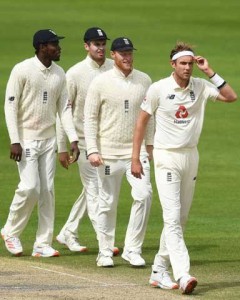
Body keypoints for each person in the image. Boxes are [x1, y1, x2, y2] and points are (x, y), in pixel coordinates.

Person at [131, 41, 237, 294]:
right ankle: (183, 274)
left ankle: (158, 269)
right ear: (173, 65)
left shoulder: (200, 86)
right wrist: (135, 158)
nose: (188, 68)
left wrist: (209, 71)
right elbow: (141, 123)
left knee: (181, 218)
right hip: (166, 156)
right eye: (183, 64)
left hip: (191, 156)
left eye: (191, 63)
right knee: (172, 216)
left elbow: (230, 96)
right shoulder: (158, 89)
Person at [2, 29, 80, 257]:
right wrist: (15, 140)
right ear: (42, 46)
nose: (59, 48)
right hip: (26, 139)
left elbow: (64, 109)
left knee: (47, 191)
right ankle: (10, 231)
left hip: (48, 140)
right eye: (55, 44)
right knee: (30, 187)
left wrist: (73, 138)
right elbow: (10, 106)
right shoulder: (22, 70)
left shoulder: (59, 73)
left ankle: (42, 243)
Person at [84, 37, 153, 268]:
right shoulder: (100, 82)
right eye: (122, 53)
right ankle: (104, 251)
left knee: (143, 195)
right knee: (107, 203)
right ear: (113, 55)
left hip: (136, 152)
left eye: (130, 52)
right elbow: (90, 118)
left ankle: (132, 249)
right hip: (108, 153)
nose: (127, 57)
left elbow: (149, 118)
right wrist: (92, 150)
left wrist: (150, 146)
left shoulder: (144, 80)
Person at [55, 27, 115, 253]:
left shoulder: (113, 68)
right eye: (95, 44)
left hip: (108, 142)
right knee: (95, 190)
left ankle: (68, 231)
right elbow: (63, 112)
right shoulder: (75, 74)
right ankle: (105, 242)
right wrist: (63, 146)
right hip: (81, 143)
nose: (100, 48)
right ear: (86, 46)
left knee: (95, 188)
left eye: (102, 43)